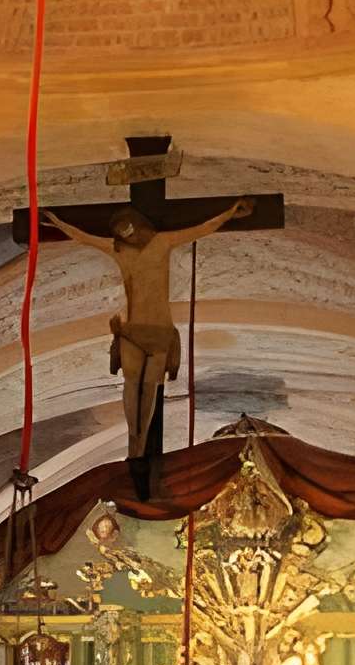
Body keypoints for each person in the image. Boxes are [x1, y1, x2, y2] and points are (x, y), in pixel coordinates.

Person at [43, 198, 254, 495]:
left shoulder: (162, 243)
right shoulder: (120, 252)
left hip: (160, 334)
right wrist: (58, 222)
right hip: (132, 332)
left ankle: (140, 447)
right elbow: (86, 238)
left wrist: (231, 213)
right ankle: (135, 443)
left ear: (139, 225)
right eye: (122, 233)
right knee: (131, 387)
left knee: (150, 391)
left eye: (129, 230)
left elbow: (200, 229)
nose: (127, 236)